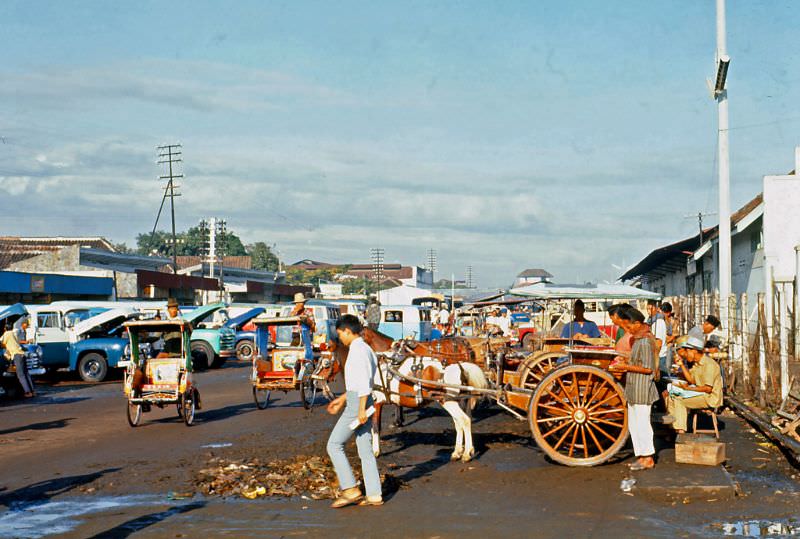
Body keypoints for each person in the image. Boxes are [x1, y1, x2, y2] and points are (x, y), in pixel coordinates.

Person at [326, 314, 383, 508]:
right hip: (359, 401)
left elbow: (364, 383)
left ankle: (350, 489)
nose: (340, 337)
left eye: (340, 333)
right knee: (365, 450)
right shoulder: (364, 349)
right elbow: (360, 382)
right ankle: (374, 494)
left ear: (348, 331)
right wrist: (342, 399)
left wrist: (359, 410)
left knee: (334, 445)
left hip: (358, 404)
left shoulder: (358, 351)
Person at [609, 307, 658, 471]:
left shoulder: (645, 341)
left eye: (629, 326)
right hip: (634, 387)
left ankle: (648, 457)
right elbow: (637, 360)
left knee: (643, 424)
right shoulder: (639, 339)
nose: (628, 330)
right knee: (635, 424)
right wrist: (626, 360)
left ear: (637, 323)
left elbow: (648, 368)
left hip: (642, 387)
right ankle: (641, 456)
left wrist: (625, 367)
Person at [663, 334, 723, 434]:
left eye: (687, 352)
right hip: (700, 394)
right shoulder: (696, 364)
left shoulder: (709, 364)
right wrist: (682, 365)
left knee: (679, 400)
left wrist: (687, 389)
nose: (685, 355)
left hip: (710, 398)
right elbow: (691, 380)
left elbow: (708, 389)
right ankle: (672, 428)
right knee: (670, 397)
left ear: (694, 351)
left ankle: (680, 431)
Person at [1, 319, 35, 398]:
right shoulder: (14, 333)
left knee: (20, 375)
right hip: (22, 354)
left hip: (17, 355)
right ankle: (33, 391)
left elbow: (1, 343)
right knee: (26, 373)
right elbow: (17, 342)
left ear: (5, 328)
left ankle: (27, 392)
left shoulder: (6, 334)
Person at [290, 293, 316, 362]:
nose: (299, 305)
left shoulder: (308, 312)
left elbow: (313, 327)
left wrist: (307, 321)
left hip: (307, 338)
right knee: (292, 355)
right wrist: (295, 312)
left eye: (301, 303)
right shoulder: (293, 313)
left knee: (307, 356)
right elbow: (289, 318)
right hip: (296, 338)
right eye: (297, 303)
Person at [646, 300, 668, 377]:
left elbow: (658, 343)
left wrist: (656, 363)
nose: (648, 312)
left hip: (659, 357)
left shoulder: (658, 322)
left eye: (651, 309)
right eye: (647, 309)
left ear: (657, 308)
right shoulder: (652, 321)